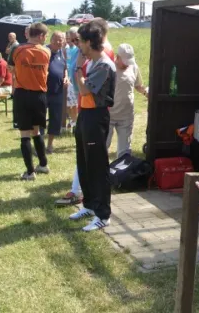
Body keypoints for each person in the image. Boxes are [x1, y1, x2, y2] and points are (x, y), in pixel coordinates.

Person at [69, 20, 116, 231]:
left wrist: (79, 68)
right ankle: (89, 205)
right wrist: (80, 68)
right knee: (84, 161)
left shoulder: (104, 65)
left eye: (80, 41)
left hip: (97, 117)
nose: (78, 45)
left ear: (89, 42)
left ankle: (103, 214)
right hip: (86, 114)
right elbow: (78, 85)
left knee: (97, 166)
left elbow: (84, 90)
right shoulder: (92, 62)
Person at [9, 23, 51, 180]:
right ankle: (43, 164)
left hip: (22, 93)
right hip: (40, 95)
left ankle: (30, 172)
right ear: (40, 36)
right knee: (36, 131)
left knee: (24, 134)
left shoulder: (17, 49)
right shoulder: (46, 51)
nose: (45, 39)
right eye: (45, 36)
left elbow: (11, 68)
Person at [107, 43, 148, 159]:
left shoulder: (133, 67)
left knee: (125, 152)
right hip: (109, 115)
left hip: (126, 116)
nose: (127, 64)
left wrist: (146, 93)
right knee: (102, 147)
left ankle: (122, 170)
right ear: (117, 57)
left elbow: (138, 85)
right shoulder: (109, 68)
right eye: (125, 61)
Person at [44, 31, 67, 153]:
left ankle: (50, 145)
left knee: (55, 119)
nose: (59, 42)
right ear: (51, 40)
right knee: (40, 118)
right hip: (43, 91)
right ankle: (39, 144)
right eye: (57, 39)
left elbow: (65, 67)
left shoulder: (62, 52)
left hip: (58, 91)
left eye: (61, 40)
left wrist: (66, 77)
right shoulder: (44, 51)